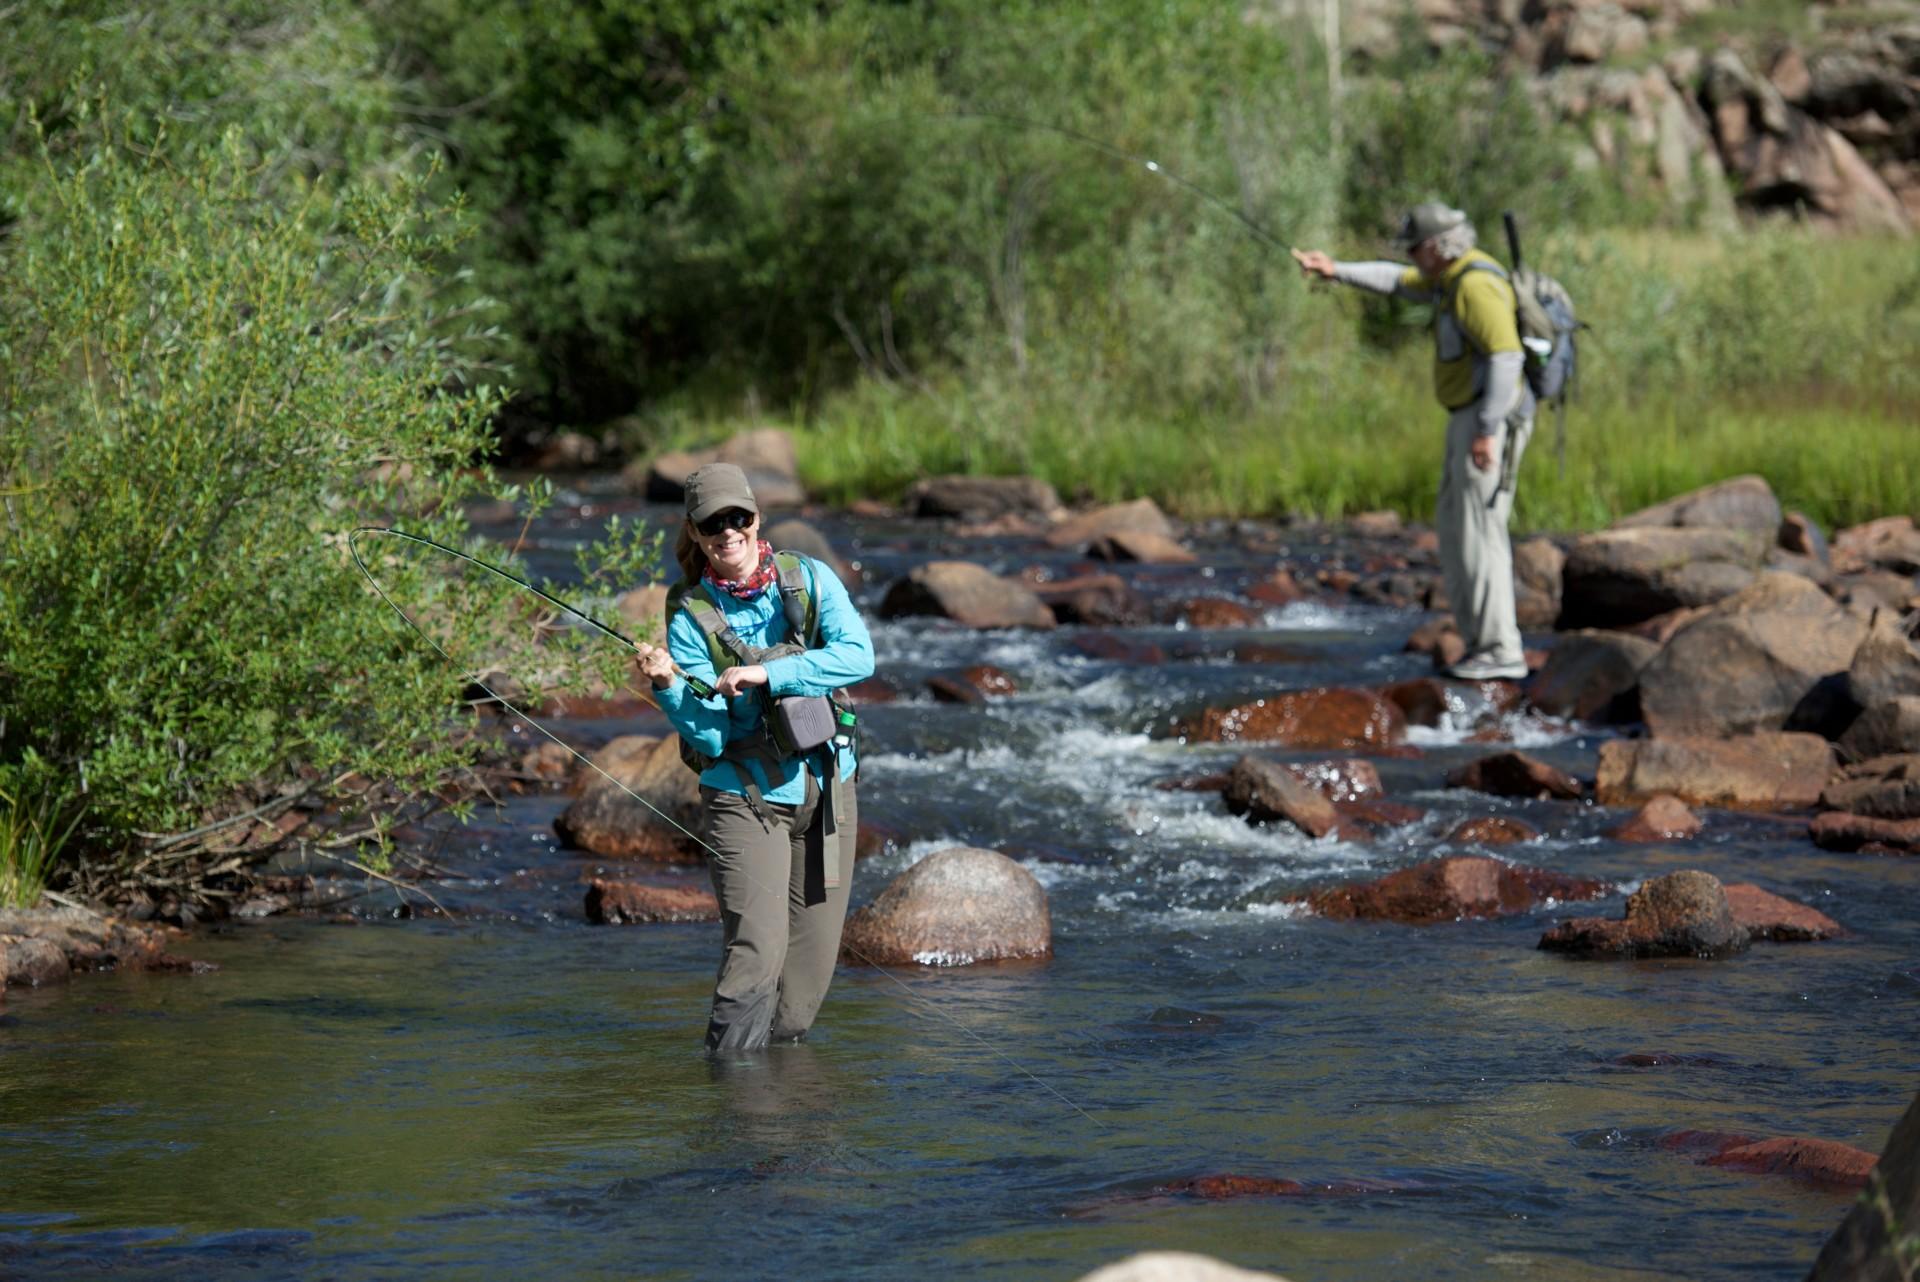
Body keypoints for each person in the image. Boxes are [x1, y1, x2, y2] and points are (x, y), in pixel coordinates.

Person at [631, 462, 874, 1054]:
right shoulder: (690, 614)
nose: (728, 531)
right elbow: (709, 737)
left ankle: (778, 1117)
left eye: (738, 517)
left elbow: (858, 657)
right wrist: (668, 685)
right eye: (713, 522)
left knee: (804, 986)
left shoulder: (809, 579)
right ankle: (731, 1101)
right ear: (695, 531)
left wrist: (770, 672)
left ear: (756, 518)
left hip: (826, 792)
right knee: (756, 955)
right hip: (744, 797)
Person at [1292, 202, 1535, 681]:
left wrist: (1487, 431)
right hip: (1467, 418)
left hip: (1488, 420)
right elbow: (1395, 280)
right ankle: (1480, 644)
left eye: (1416, 247)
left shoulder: (1476, 285)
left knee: (1482, 533)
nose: (1412, 256)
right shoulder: (1448, 279)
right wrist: (1335, 270)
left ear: (1439, 247)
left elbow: (1508, 359)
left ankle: (1502, 650)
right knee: (1456, 531)